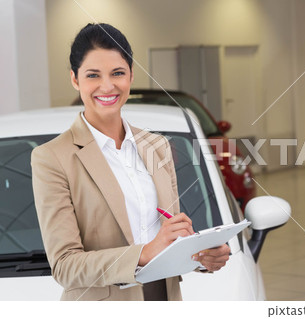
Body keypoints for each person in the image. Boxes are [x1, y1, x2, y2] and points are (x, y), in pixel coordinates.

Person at [31, 23, 230, 301]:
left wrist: (201, 255)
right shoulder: (52, 158)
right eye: (93, 75)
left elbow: (168, 238)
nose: (107, 86)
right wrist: (143, 253)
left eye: (117, 73)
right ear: (75, 80)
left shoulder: (157, 146)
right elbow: (65, 266)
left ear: (131, 76)